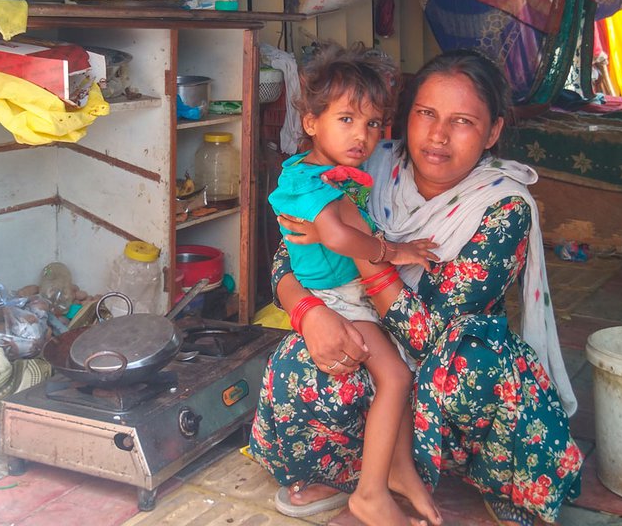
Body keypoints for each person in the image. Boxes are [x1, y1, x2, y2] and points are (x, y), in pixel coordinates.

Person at [249, 49, 582, 526]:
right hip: (371, 338)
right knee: (300, 359)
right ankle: (362, 471)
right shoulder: (366, 166)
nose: (438, 135)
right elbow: (290, 253)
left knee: (476, 361)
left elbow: (427, 339)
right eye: (426, 113)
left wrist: (365, 252)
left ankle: (472, 474)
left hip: (447, 388)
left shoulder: (502, 208)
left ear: (492, 132)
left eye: (462, 121)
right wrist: (309, 313)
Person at [266, 44, 438, 526]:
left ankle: (398, 472)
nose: (361, 135)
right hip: (339, 300)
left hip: (344, 293)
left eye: (372, 124)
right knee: (397, 377)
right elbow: (339, 236)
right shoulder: (313, 183)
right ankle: (370, 494)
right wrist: (393, 252)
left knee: (402, 367)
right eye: (346, 120)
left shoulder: (319, 172)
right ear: (311, 122)